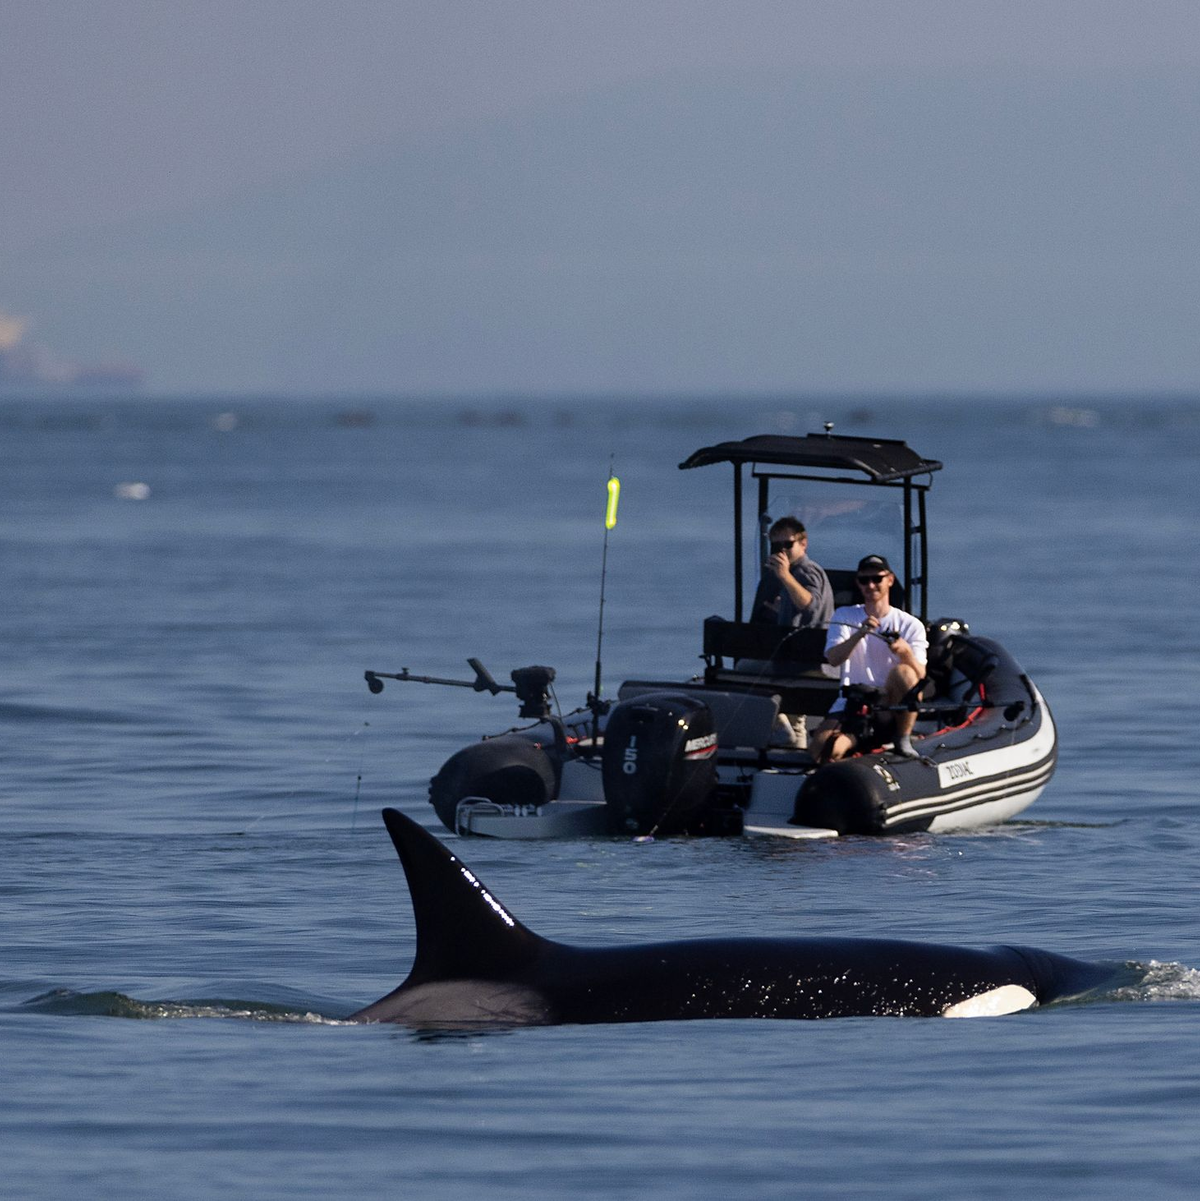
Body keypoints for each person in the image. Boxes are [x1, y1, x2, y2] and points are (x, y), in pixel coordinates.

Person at [809, 554, 927, 761]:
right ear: (858, 583)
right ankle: (857, 743)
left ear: (889, 580)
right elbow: (833, 658)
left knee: (905, 672)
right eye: (864, 580)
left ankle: (902, 737)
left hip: (889, 705)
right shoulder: (844, 616)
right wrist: (859, 633)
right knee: (822, 749)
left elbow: (920, 676)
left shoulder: (910, 624)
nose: (870, 585)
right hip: (855, 702)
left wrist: (904, 652)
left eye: (877, 579)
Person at [749, 517, 833, 632]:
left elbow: (811, 607)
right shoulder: (772, 575)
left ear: (803, 544)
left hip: (806, 643)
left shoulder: (806, 570)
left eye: (788, 544)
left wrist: (785, 576)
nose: (782, 550)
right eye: (777, 546)